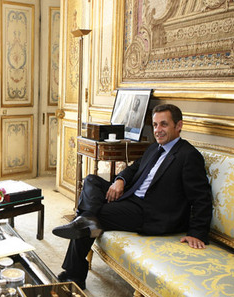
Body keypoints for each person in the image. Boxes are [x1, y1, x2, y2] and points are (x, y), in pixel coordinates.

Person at [52, 104, 212, 289]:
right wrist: (119, 180)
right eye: (155, 125)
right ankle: (87, 218)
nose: (158, 130)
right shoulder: (154, 148)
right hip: (131, 196)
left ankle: (74, 276)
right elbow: (133, 169)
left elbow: (201, 197)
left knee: (95, 216)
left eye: (163, 125)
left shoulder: (188, 156)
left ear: (178, 126)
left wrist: (197, 233)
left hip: (150, 212)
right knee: (91, 180)